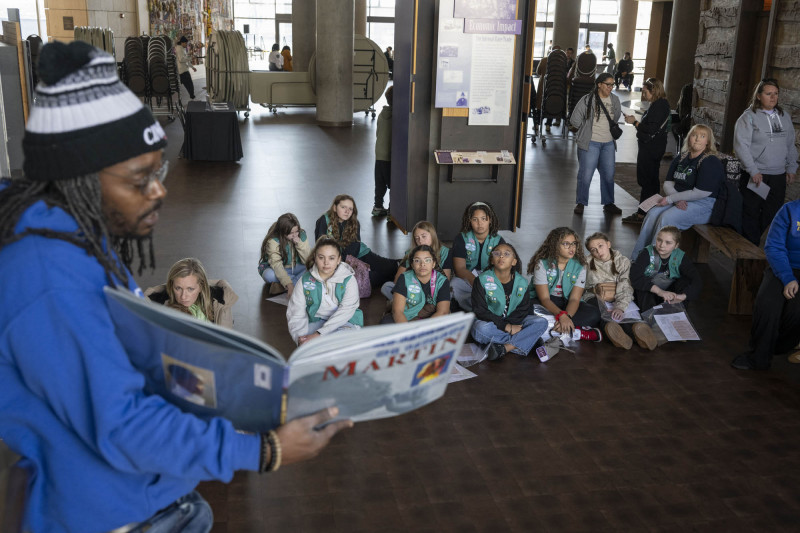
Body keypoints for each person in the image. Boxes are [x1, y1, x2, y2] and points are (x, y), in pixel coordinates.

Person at [0, 41, 350, 533]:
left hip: (151, 494)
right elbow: (122, 425)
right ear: (78, 179)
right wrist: (262, 449)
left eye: (158, 170)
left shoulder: (77, 236)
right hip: (108, 515)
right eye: (140, 178)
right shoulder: (47, 278)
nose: (160, 189)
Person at [631, 124, 725, 259]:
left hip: (703, 204)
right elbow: (668, 183)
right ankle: (637, 258)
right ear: (689, 138)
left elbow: (701, 193)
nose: (697, 139)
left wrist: (671, 199)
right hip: (680, 200)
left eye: (702, 136)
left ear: (708, 142)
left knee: (667, 217)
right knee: (652, 213)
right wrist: (676, 199)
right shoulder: (682, 157)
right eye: (694, 135)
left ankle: (654, 264)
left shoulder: (710, 161)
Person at [732, 198, 800, 370]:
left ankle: (781, 346)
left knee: (795, 311)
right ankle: (758, 357)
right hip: (783, 266)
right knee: (767, 304)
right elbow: (774, 246)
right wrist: (788, 278)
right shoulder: (789, 210)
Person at [734, 78, 799, 245]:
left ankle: (751, 243)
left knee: (772, 211)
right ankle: (749, 249)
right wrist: (753, 170)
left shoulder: (783, 116)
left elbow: (790, 143)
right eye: (768, 93)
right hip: (757, 175)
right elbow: (741, 146)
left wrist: (792, 167)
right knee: (751, 211)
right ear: (758, 96)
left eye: (776, 93)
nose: (773, 97)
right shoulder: (748, 117)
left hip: (778, 175)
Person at [471, 243, 549, 361]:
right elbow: (480, 310)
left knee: (541, 322)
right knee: (479, 329)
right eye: (497, 253)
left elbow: (523, 310)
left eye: (506, 254)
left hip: (516, 322)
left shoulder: (521, 282)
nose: (501, 256)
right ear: (492, 260)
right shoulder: (482, 280)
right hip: (492, 323)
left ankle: (506, 347)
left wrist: (511, 326)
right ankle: (528, 340)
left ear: (514, 261)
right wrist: (506, 326)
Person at [584, 233, 657, 351]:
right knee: (603, 315)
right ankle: (615, 332)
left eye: (600, 246)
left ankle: (639, 331)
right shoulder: (586, 263)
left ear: (608, 244)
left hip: (619, 295)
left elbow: (625, 286)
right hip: (595, 296)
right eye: (593, 250)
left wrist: (620, 307)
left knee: (625, 314)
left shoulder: (623, 262)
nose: (598, 251)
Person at [528, 227, 602, 339]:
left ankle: (552, 327)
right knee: (525, 308)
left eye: (574, 243)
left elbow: (574, 299)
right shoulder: (542, 264)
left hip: (567, 302)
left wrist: (567, 316)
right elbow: (544, 299)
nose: (572, 248)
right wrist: (561, 315)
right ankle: (576, 332)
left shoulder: (580, 266)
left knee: (594, 314)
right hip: (545, 301)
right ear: (555, 246)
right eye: (566, 244)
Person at [287, 237, 363, 345]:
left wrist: (319, 334)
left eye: (331, 258)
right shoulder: (304, 281)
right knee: (306, 341)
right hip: (317, 322)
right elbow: (296, 313)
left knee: (340, 340)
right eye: (321, 257)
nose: (326, 263)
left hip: (345, 322)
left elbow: (346, 311)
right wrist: (300, 338)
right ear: (315, 257)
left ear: (338, 260)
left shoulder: (349, 280)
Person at [315, 194, 398, 288]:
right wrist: (337, 263)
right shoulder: (324, 220)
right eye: (343, 207)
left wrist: (346, 261)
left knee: (389, 268)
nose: (347, 211)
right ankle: (392, 278)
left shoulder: (354, 222)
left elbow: (355, 247)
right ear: (335, 207)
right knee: (369, 279)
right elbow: (320, 246)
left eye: (350, 209)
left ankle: (401, 266)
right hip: (334, 261)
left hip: (358, 253)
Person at [569, 72, 623, 216]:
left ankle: (608, 203)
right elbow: (574, 120)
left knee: (608, 175)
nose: (611, 87)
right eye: (608, 84)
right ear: (599, 84)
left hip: (608, 144)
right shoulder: (587, 100)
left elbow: (616, 116)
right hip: (590, 143)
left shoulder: (615, 100)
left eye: (613, 84)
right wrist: (586, 128)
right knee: (586, 175)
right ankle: (581, 203)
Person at [622, 78, 671, 224]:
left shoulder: (659, 105)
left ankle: (642, 214)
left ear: (653, 91)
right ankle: (648, 211)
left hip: (651, 148)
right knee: (650, 180)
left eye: (645, 92)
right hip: (653, 147)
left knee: (647, 181)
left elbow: (651, 129)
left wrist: (635, 122)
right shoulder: (658, 104)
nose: (644, 95)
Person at [145, 257, 239, 328]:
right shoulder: (156, 305)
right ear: (171, 286)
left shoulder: (221, 301)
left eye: (190, 289)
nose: (183, 296)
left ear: (201, 287)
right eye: (178, 288)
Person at [630, 226, 702, 315]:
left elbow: (697, 280)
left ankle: (675, 313)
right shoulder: (647, 253)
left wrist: (682, 296)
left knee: (685, 281)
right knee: (643, 287)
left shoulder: (680, 257)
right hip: (651, 292)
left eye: (668, 243)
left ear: (676, 245)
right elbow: (634, 276)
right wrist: (660, 292)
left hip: (668, 294)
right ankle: (650, 317)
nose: (662, 245)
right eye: (659, 240)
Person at [451, 201, 505, 311]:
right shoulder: (462, 238)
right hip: (468, 278)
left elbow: (501, 267)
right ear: (469, 221)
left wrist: (487, 283)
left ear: (490, 220)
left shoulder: (497, 241)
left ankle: (485, 308)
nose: (480, 223)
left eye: (483, 219)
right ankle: (477, 309)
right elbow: (459, 269)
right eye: (475, 219)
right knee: (454, 284)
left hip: (490, 279)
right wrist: (477, 284)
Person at [381, 220, 452, 300]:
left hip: (433, 288)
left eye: (424, 236)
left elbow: (446, 279)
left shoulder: (445, 252)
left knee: (451, 291)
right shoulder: (411, 253)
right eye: (417, 238)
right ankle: (411, 303)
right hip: (413, 287)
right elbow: (398, 278)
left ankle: (409, 304)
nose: (420, 241)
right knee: (387, 287)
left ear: (432, 235)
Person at [386, 244, 451, 323]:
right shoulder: (404, 278)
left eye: (427, 260)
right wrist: (408, 332)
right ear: (412, 265)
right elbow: (398, 311)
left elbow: (443, 312)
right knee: (386, 323)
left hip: (432, 320)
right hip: (408, 317)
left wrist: (423, 331)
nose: (422, 264)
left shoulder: (442, 281)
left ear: (433, 263)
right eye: (417, 260)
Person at [258, 213, 311, 297]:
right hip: (278, 269)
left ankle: (281, 286)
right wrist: (289, 284)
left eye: (296, 231)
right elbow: (277, 265)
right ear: (282, 232)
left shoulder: (302, 235)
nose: (294, 235)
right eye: (291, 233)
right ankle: (294, 284)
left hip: (297, 267)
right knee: (269, 275)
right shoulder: (273, 241)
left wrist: (299, 244)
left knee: (313, 268)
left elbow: (307, 260)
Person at [373, 86, 393, 217]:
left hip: (379, 154)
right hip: (390, 157)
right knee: (393, 185)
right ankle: (393, 211)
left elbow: (378, 133)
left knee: (380, 184)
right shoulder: (397, 117)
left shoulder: (381, 114)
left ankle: (378, 207)